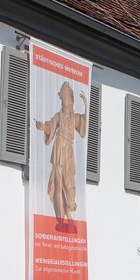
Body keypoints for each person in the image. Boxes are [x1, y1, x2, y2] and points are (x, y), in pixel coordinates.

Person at [34, 82, 87, 231]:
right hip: (58, 150)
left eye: (67, 97)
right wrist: (42, 127)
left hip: (68, 152)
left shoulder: (75, 117)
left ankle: (69, 214)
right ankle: (62, 218)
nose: (65, 100)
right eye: (63, 97)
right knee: (58, 185)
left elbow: (82, 130)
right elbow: (50, 125)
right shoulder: (58, 116)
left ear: (71, 99)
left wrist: (86, 106)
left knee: (68, 184)